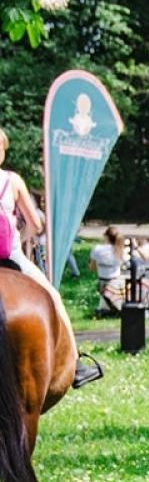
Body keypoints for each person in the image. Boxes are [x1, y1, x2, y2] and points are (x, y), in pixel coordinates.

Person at [0, 127, 101, 388]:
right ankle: (77, 364)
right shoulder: (13, 181)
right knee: (52, 297)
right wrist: (20, 240)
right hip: (11, 255)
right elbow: (35, 224)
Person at [89, 226, 127, 312]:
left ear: (106, 237)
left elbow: (92, 267)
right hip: (116, 282)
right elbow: (124, 265)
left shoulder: (97, 249)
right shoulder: (120, 251)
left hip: (102, 281)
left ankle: (107, 308)